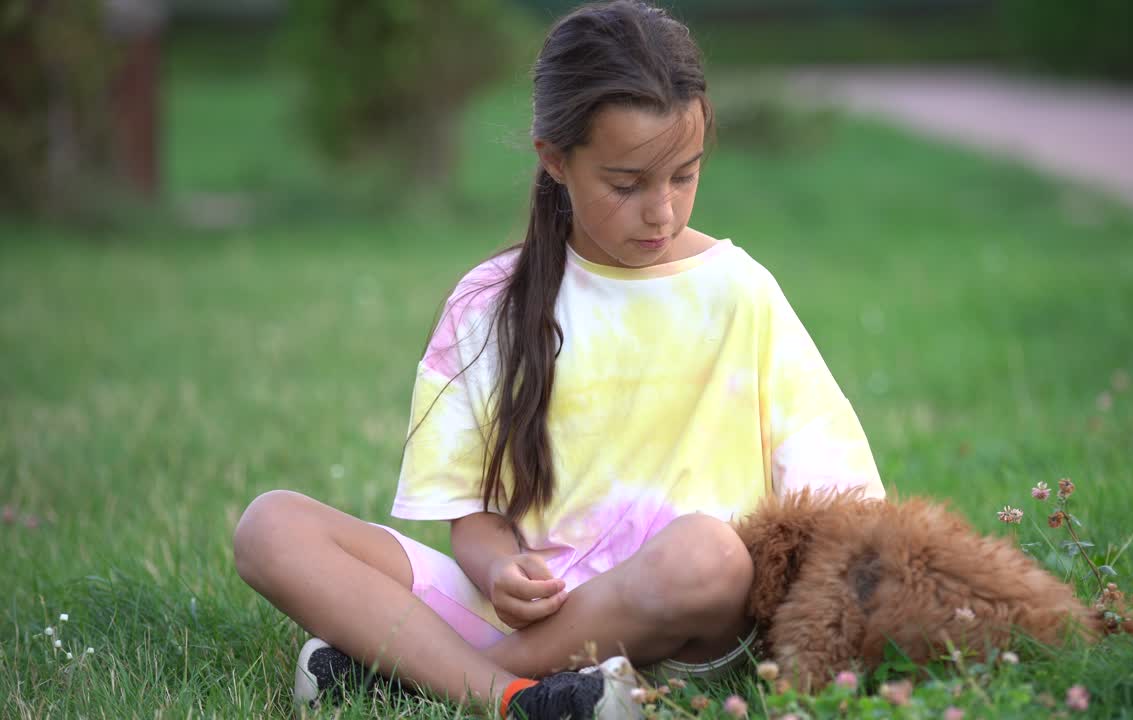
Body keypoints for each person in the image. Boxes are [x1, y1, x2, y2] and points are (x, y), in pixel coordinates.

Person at [232, 1, 884, 718]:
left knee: (712, 554)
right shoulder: (488, 303)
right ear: (554, 159)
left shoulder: (740, 292)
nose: (662, 211)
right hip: (524, 620)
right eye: (627, 184)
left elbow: (839, 506)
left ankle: (418, 674)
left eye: (684, 176)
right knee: (271, 526)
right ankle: (524, 699)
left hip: (687, 624)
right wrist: (498, 570)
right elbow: (474, 516)